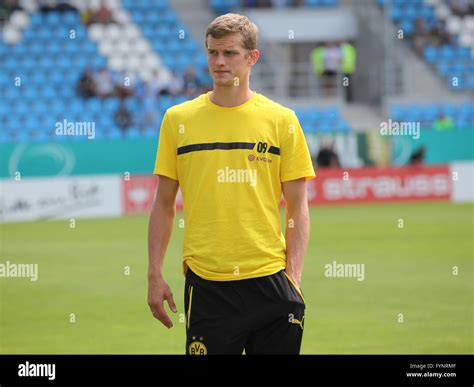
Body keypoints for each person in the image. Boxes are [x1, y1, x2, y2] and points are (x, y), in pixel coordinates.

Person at [148, 13, 315, 355]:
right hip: (208, 286)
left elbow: (298, 206)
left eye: (230, 54)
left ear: (252, 57)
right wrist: (154, 272)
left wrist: (293, 278)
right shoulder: (178, 120)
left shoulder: (282, 121)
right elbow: (163, 203)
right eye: (213, 53)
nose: (219, 62)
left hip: (270, 282)